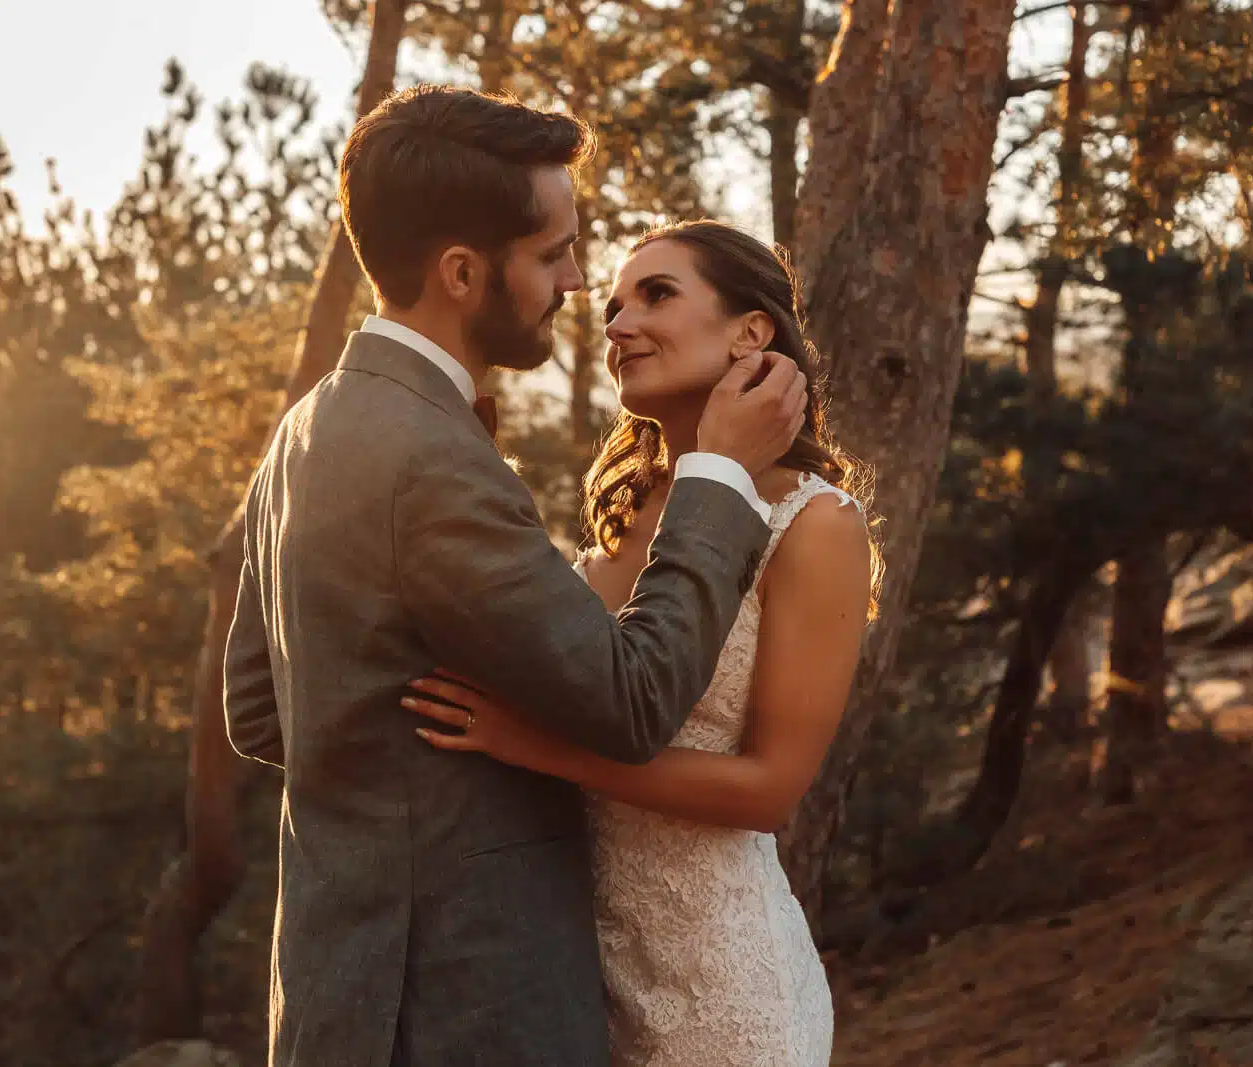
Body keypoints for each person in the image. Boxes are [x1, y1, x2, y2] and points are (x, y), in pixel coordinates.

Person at [221, 87, 808, 1066]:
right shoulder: (428, 456)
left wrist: (401, 783)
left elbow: (256, 704)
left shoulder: (309, 425)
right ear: (461, 271)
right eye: (551, 254)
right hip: (465, 1005)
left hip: (338, 995)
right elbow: (631, 700)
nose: (579, 282)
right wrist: (721, 472)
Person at [404, 220, 878, 1066]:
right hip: (584, 987)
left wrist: (528, 745)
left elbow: (771, 790)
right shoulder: (625, 516)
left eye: (657, 295)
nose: (617, 323)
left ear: (750, 332)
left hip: (724, 1000)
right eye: (615, 305)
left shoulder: (814, 523)